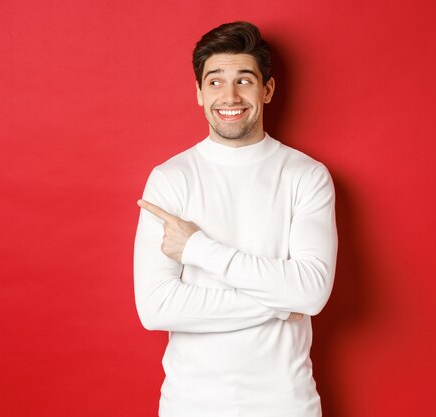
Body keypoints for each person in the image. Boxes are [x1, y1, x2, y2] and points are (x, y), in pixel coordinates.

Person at [134, 21, 338, 417]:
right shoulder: (170, 179)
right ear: (198, 92)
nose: (229, 96)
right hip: (190, 406)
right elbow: (157, 307)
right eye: (215, 82)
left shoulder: (306, 176)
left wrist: (197, 248)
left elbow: (312, 291)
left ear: (267, 89)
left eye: (244, 80)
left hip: (287, 405)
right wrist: (280, 303)